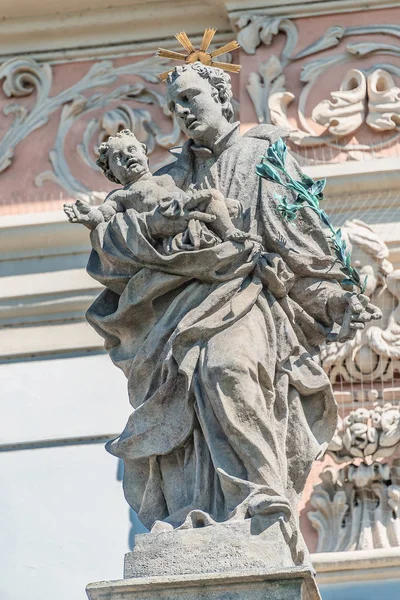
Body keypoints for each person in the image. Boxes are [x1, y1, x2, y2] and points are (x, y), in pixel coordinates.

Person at [85, 62, 381, 550]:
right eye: (175, 105)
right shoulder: (169, 178)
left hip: (250, 299)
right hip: (183, 310)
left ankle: (263, 495)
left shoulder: (261, 158)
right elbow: (122, 243)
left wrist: (335, 302)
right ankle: (195, 508)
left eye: (191, 98)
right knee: (189, 380)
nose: (182, 112)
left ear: (223, 98)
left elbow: (303, 247)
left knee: (228, 367)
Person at [63, 129, 250, 247]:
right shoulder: (121, 195)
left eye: (131, 150)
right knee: (213, 198)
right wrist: (89, 216)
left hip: (186, 206)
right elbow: (104, 215)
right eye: (117, 157)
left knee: (216, 198)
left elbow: (183, 167)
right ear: (112, 174)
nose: (127, 157)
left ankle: (228, 232)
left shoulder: (165, 179)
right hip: (165, 218)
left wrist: (190, 144)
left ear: (144, 154)